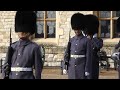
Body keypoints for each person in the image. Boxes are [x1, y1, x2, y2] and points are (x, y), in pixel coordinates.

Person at [3, 11, 43, 79]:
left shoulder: (34, 48)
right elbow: (5, 66)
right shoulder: (12, 46)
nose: (21, 32)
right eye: (20, 30)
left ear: (29, 32)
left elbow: (38, 70)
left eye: (24, 31)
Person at [63, 13, 92, 79]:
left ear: (81, 29)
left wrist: (87, 69)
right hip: (71, 68)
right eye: (75, 29)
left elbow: (88, 57)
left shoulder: (86, 41)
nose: (76, 31)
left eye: (78, 29)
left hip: (81, 68)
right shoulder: (71, 40)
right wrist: (65, 66)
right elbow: (67, 54)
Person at [84, 14, 103, 79]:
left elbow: (98, 45)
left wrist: (92, 38)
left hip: (93, 66)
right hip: (84, 65)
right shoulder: (83, 40)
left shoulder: (98, 40)